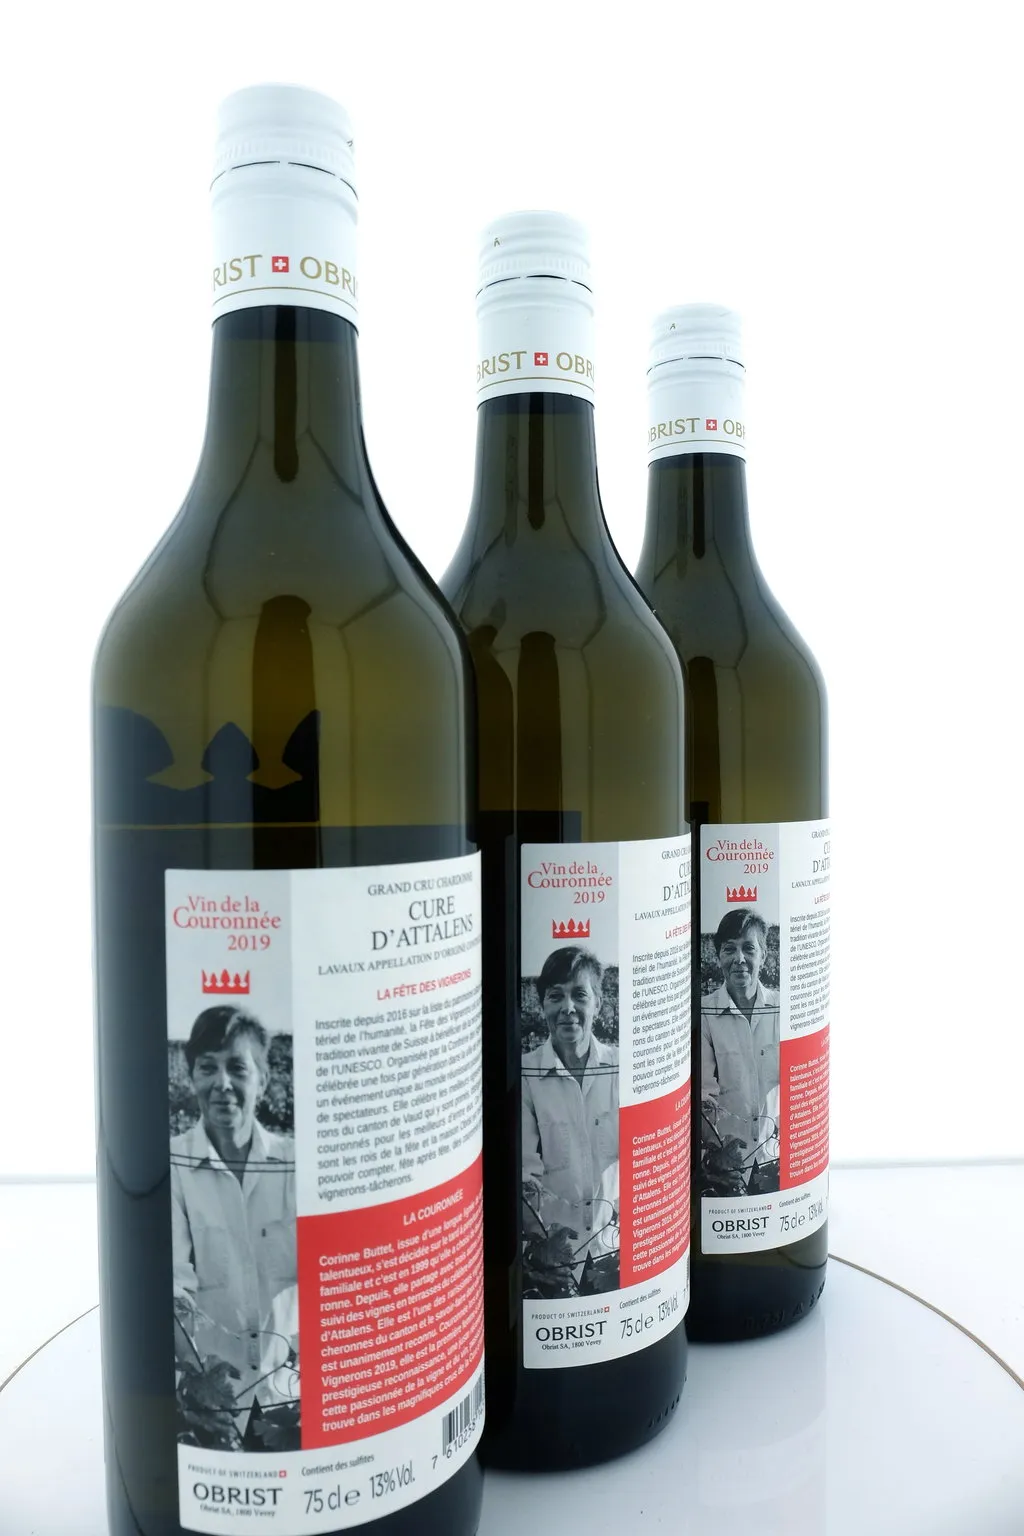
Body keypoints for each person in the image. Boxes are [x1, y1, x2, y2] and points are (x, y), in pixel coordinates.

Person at [170, 1005, 298, 1416]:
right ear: (193, 1077)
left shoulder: (296, 1164)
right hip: (211, 1403)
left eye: (238, 1068)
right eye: (208, 1067)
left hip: (292, 1398)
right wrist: (199, 1382)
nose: (222, 1083)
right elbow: (174, 1287)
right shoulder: (173, 1165)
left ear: (263, 1081)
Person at [521, 946, 619, 1266]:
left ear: (598, 1003)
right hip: (554, 1258)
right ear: (542, 1004)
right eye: (555, 996)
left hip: (616, 1249)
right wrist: (542, 1244)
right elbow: (525, 1175)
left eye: (579, 995)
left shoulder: (622, 1068)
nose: (567, 1008)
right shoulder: (525, 1075)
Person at [701, 907, 781, 1188]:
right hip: (728, 1166)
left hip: (777, 1159)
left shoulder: (784, 1008)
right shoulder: (705, 1013)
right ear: (718, 956)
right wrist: (714, 1153)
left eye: (748, 948)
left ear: (764, 955)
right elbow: (704, 1095)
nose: (739, 959)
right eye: (729, 949)